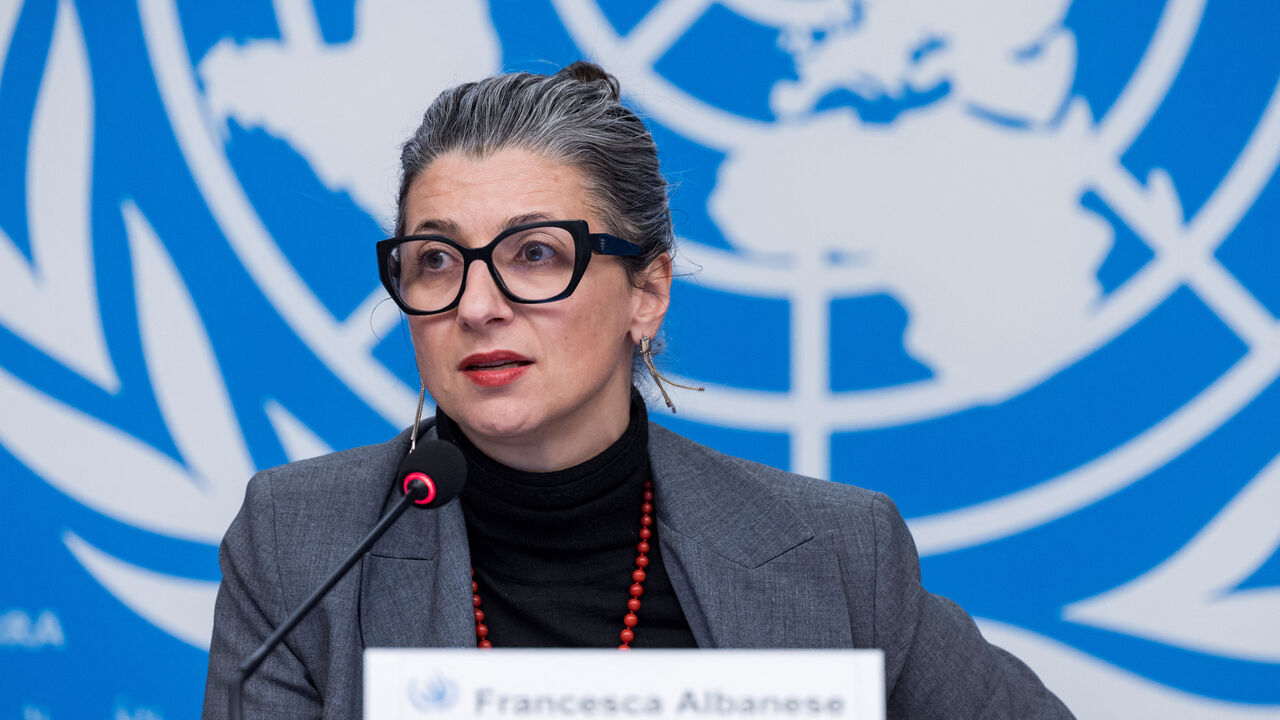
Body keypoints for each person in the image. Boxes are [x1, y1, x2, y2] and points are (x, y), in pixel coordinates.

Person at [202, 62, 1074, 719]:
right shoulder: (300, 544)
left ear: (646, 294)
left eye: (534, 254)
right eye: (436, 260)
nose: (475, 305)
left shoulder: (836, 552)